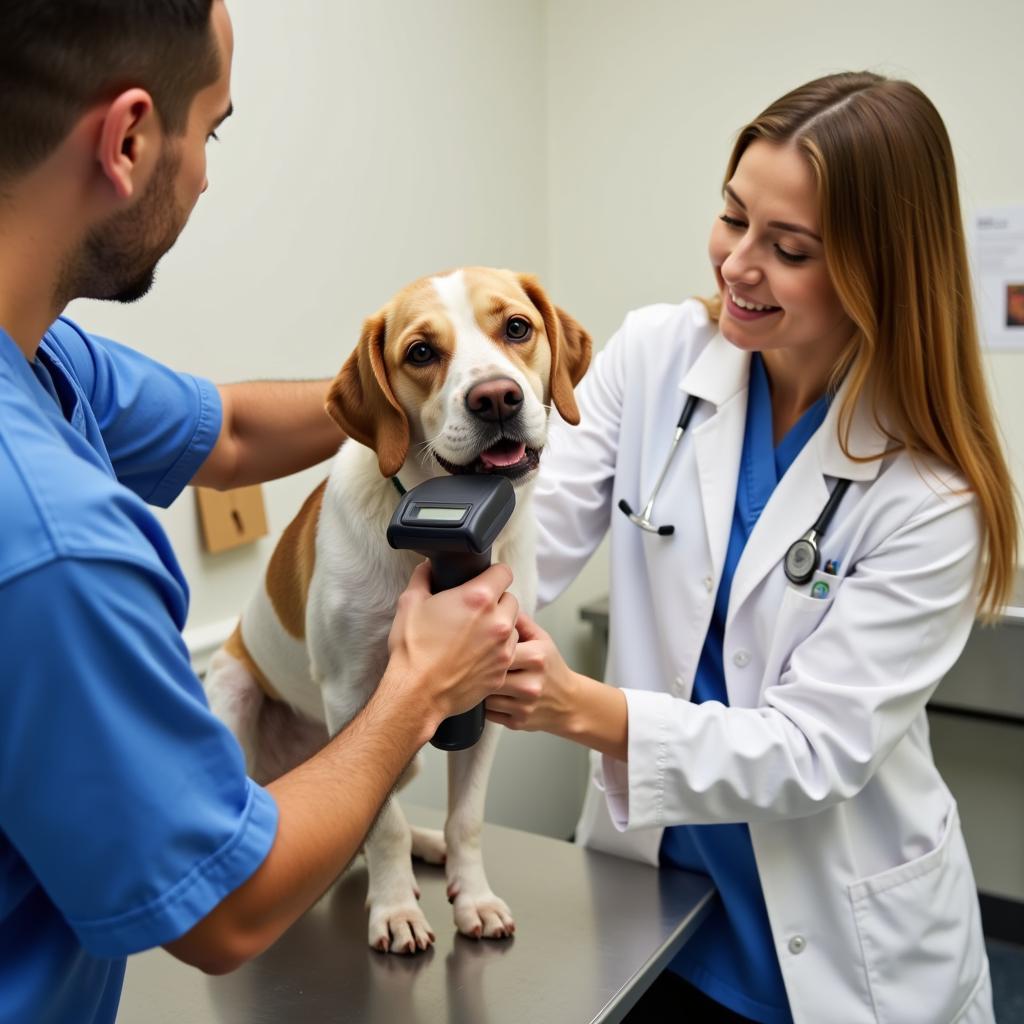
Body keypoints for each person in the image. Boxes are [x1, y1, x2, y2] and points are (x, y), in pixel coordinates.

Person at [0, 3, 519, 1022]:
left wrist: (413, 388)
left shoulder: (44, 356)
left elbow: (230, 431)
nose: (203, 173)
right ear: (132, 140)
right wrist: (420, 687)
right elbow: (223, 915)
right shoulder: (53, 542)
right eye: (214, 130)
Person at [487, 72, 1018, 1024]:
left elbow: (811, 751)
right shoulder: (655, 358)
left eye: (790, 249)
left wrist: (580, 708)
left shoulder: (934, 493)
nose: (737, 264)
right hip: (652, 904)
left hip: (842, 950)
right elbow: (526, 545)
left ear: (878, 271)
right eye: (733, 217)